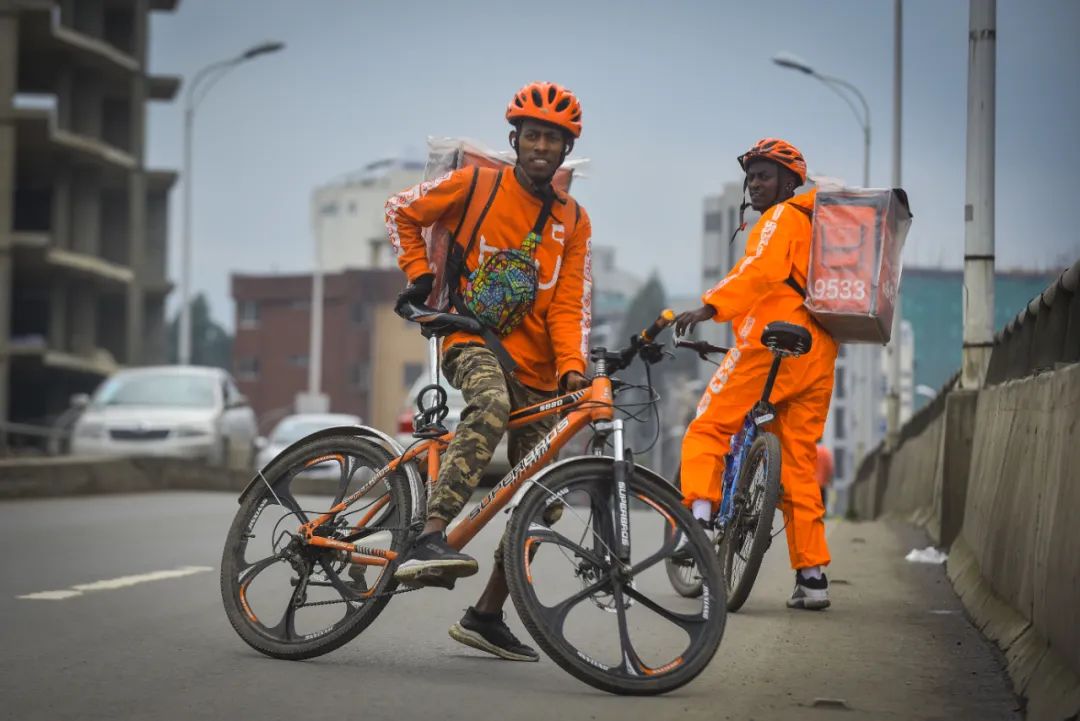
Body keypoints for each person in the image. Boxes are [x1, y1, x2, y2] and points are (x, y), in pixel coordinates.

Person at [383, 81, 592, 659]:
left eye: (553, 138)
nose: (542, 146)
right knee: (490, 405)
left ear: (565, 149)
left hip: (542, 370)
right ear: (515, 140)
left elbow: (569, 303)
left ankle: (485, 615)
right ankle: (429, 536)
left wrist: (573, 369)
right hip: (469, 335)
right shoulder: (475, 184)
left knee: (543, 498)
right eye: (533, 136)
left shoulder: (573, 221)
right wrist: (418, 273)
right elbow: (400, 210)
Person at [674, 138, 838, 611]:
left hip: (769, 345)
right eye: (751, 177)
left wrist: (710, 306)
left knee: (708, 427)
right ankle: (812, 577)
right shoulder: (822, 226)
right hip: (818, 354)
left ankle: (700, 525)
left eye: (764, 176)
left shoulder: (782, 218)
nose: (755, 185)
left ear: (790, 182)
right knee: (799, 464)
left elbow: (760, 270)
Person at [815, 438, 834, 514]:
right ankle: (821, 513)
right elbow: (829, 467)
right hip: (822, 482)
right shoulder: (826, 452)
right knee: (822, 498)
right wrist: (829, 479)